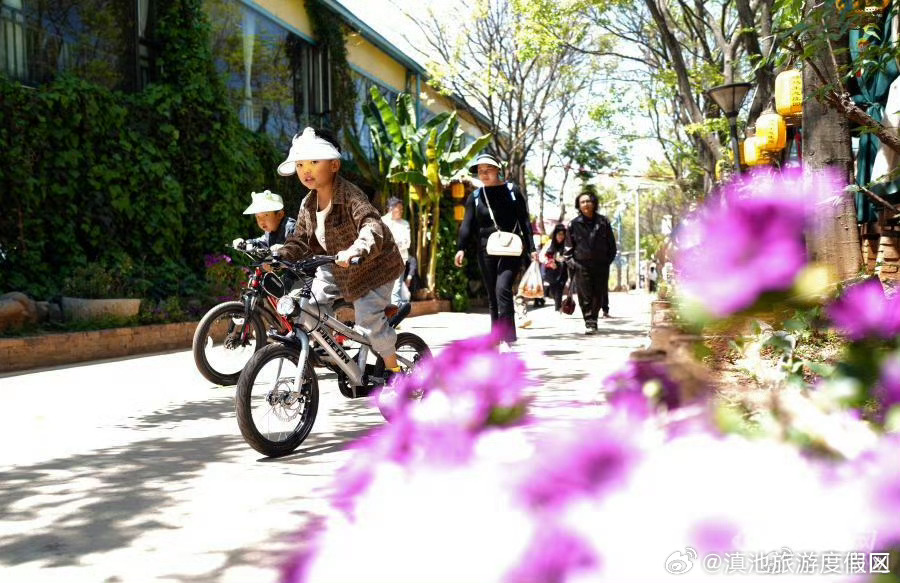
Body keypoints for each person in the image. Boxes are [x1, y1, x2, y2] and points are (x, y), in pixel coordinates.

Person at [275, 127, 405, 375]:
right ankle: (333, 350)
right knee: (307, 305)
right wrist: (281, 255)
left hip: (372, 268)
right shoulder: (308, 203)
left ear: (334, 165)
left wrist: (358, 248)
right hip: (334, 267)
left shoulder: (351, 196)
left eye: (314, 161)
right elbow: (300, 239)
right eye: (301, 165)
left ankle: (395, 371)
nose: (306, 170)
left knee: (368, 320)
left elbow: (372, 225)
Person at [454, 154, 537, 348]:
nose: (483, 174)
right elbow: (467, 225)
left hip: (512, 248)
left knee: (503, 289)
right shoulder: (475, 197)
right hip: (486, 250)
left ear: (498, 170)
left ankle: (507, 338)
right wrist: (461, 248)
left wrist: (532, 248)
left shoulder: (512, 191)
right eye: (480, 171)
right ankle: (496, 337)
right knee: (493, 295)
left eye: (488, 169)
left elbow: (524, 220)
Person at [565, 190, 617, 335]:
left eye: (588, 201)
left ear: (594, 203)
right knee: (585, 295)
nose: (586, 204)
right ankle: (590, 321)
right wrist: (571, 262)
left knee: (598, 294)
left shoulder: (603, 222)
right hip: (581, 265)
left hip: (601, 264)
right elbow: (568, 247)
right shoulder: (573, 224)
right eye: (582, 202)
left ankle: (594, 317)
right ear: (578, 205)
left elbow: (611, 244)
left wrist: (608, 260)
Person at [231, 189, 296, 250]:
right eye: (258, 217)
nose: (261, 221)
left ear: (279, 215)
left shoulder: (291, 228)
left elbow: (300, 246)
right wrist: (245, 243)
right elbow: (261, 242)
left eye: (266, 215)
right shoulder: (269, 232)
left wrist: (285, 248)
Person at [381, 197, 412, 307]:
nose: (401, 211)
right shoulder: (382, 221)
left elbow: (407, 243)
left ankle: (394, 317)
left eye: (402, 209)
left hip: (400, 260)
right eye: (399, 208)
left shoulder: (405, 224)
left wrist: (394, 243)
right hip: (384, 261)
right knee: (384, 289)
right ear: (391, 209)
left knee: (396, 289)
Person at [540, 224, 569, 312]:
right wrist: (549, 262)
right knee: (553, 290)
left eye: (563, 234)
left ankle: (558, 308)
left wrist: (564, 259)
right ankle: (557, 305)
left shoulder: (567, 245)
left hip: (563, 270)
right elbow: (541, 256)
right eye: (559, 234)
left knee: (560, 288)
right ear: (555, 234)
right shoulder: (549, 243)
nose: (561, 236)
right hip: (552, 271)